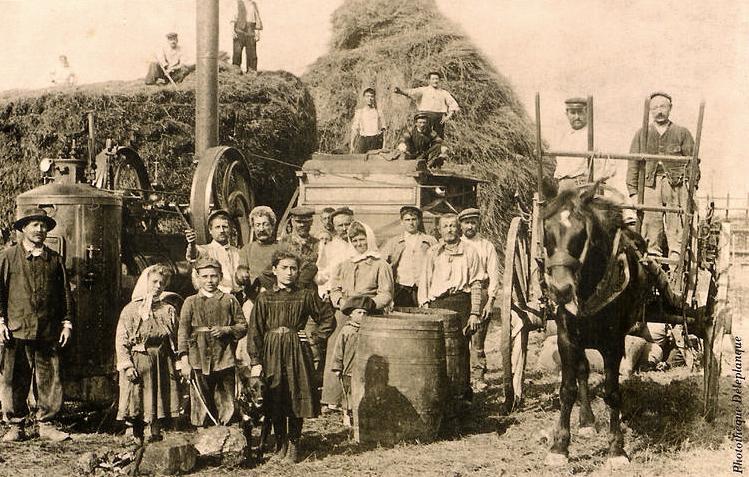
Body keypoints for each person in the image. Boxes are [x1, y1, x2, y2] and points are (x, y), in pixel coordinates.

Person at [248, 250, 335, 463]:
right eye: (284, 268)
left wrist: (313, 338)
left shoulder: (305, 294)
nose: (289, 273)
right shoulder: (264, 297)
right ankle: (280, 445)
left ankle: (294, 446)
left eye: (293, 268)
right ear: (275, 270)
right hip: (271, 351)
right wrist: (255, 361)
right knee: (275, 396)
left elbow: (327, 318)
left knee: (295, 395)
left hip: (296, 350)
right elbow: (255, 331)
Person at [0, 207, 72, 442]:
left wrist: (67, 323)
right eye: (35, 225)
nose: (40, 230)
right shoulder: (8, 257)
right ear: (23, 228)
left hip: (48, 331)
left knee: (49, 378)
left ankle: (47, 424)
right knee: (15, 378)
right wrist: (1, 321)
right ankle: (16, 426)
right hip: (16, 329)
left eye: (43, 226)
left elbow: (65, 295)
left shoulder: (54, 259)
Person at [322, 221, 394, 409]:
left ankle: (365, 398)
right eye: (355, 241)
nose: (359, 244)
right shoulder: (344, 264)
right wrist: (342, 304)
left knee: (366, 355)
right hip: (345, 313)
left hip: (369, 314)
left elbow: (386, 293)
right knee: (338, 350)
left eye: (362, 240)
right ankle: (335, 398)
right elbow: (335, 289)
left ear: (369, 240)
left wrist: (369, 306)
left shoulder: (380, 264)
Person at [418, 213, 483, 401]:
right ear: (439, 229)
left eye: (453, 226)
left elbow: (477, 282)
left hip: (461, 302)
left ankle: (461, 395)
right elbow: (425, 281)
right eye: (445, 226)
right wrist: (425, 306)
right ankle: (440, 395)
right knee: (438, 350)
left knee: (461, 350)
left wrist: (474, 313)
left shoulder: (470, 251)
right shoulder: (433, 253)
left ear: (459, 228)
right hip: (438, 305)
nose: (449, 230)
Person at [178, 258, 246, 427]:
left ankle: (227, 431)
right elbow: (183, 332)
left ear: (221, 276)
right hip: (198, 357)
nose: (209, 280)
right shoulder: (190, 302)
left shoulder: (229, 299)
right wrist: (185, 361)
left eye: (214, 276)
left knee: (226, 398)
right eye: (205, 276)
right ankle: (203, 433)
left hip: (224, 357)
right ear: (198, 278)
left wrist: (226, 330)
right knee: (201, 398)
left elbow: (243, 326)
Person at [627, 91, 695, 260]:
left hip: (676, 184)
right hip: (650, 185)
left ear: (670, 108)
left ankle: (674, 263)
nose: (659, 111)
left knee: (676, 223)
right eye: (655, 107)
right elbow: (633, 163)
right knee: (651, 223)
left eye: (663, 106)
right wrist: (634, 192)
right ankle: (654, 263)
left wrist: (691, 189)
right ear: (650, 111)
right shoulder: (641, 134)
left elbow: (693, 163)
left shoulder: (682, 132)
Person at [115, 264, 180, 442]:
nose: (158, 286)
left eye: (162, 283)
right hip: (139, 360)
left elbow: (176, 338)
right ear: (145, 282)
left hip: (161, 359)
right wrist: (127, 366)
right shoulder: (131, 310)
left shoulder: (168, 310)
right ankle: (136, 435)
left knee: (159, 397)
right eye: (154, 282)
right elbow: (121, 341)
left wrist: (179, 359)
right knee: (137, 397)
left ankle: (156, 433)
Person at [457, 208, 499, 390]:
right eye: (466, 223)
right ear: (461, 225)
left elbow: (494, 275)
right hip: (460, 295)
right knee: (459, 337)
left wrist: (490, 301)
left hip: (480, 292)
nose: (470, 226)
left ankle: (478, 376)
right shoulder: (455, 245)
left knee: (478, 339)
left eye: (473, 222)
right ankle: (460, 378)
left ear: (478, 224)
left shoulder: (486, 246)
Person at [331, 295, 377, 426]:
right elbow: (338, 350)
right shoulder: (346, 331)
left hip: (364, 370)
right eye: (359, 312)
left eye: (365, 313)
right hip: (348, 370)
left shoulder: (368, 331)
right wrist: (337, 367)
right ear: (351, 314)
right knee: (348, 393)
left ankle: (361, 417)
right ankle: (347, 416)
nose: (362, 315)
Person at [315, 207, 378, 297]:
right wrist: (323, 293)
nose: (344, 229)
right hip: (336, 296)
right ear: (334, 227)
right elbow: (321, 274)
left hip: (362, 295)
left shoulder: (363, 244)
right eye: (340, 225)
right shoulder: (329, 248)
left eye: (347, 224)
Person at [381, 206, 437, 307]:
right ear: (402, 222)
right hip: (401, 289)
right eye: (407, 220)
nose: (411, 223)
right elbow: (382, 264)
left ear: (419, 221)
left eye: (414, 219)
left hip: (423, 289)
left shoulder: (429, 241)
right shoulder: (394, 242)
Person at [185, 209, 242, 298]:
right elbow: (193, 256)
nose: (222, 230)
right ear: (210, 230)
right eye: (217, 227)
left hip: (238, 299)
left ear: (230, 229)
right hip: (214, 298)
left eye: (225, 227)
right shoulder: (204, 251)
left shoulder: (238, 252)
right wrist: (192, 243)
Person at [394, 71, 459, 139]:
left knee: (438, 138)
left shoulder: (444, 93)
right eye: (433, 79)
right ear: (429, 80)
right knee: (424, 137)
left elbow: (453, 104)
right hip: (425, 117)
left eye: (437, 79)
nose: (435, 81)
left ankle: (436, 149)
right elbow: (411, 93)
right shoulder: (423, 90)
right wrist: (400, 91)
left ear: (439, 80)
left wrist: (448, 116)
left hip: (439, 119)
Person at [236, 206, 281, 302]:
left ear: (272, 226)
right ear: (253, 228)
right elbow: (241, 270)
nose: (261, 229)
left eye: (265, 224)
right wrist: (241, 274)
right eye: (257, 225)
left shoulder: (281, 248)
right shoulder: (247, 249)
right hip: (253, 298)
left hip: (276, 298)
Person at [350, 88, 386, 153]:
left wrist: (384, 146)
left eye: (372, 96)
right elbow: (354, 129)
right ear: (364, 98)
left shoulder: (378, 112)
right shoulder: (359, 112)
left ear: (374, 98)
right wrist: (351, 145)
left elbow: (384, 130)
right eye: (367, 96)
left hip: (375, 139)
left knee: (375, 161)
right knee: (361, 161)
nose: (370, 98)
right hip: (364, 140)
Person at [231, 0, 263, 73]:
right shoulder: (237, 2)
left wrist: (257, 32)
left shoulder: (253, 4)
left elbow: (257, 18)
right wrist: (232, 31)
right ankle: (236, 72)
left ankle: (251, 73)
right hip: (239, 30)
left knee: (252, 54)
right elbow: (233, 18)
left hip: (250, 31)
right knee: (237, 53)